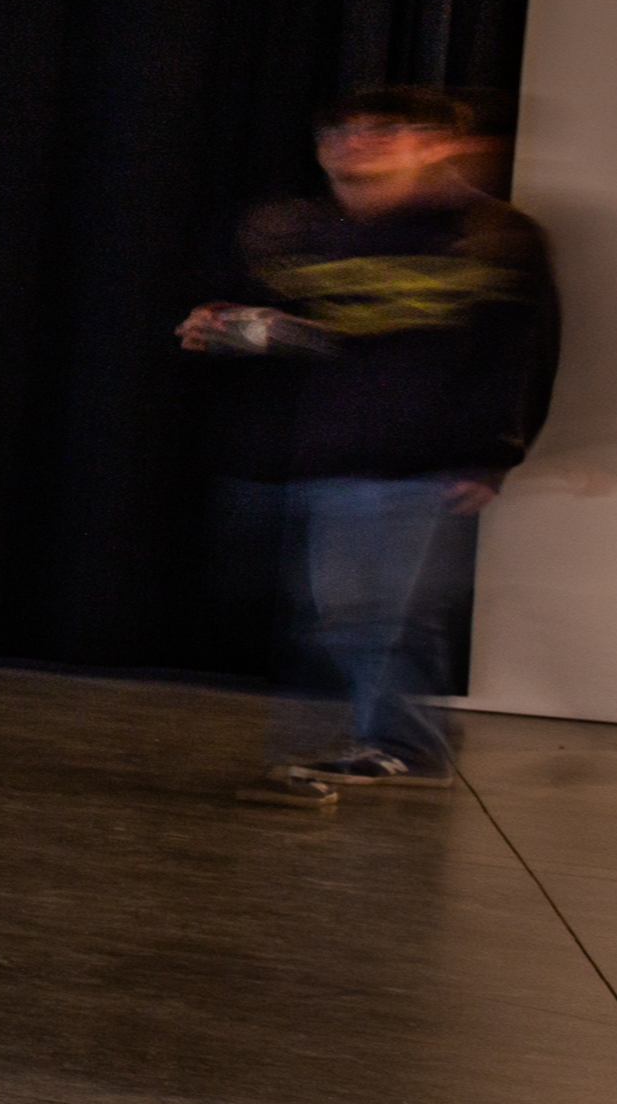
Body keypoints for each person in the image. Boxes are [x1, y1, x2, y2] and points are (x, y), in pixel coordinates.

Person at [188, 89, 554, 809]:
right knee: (347, 612)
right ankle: (390, 742)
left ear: (434, 144)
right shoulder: (303, 232)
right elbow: (316, 334)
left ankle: (403, 746)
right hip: (320, 452)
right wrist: (226, 325)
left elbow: (521, 349)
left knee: (374, 614)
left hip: (416, 458)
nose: (355, 142)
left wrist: (493, 452)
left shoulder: (487, 234)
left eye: (383, 130)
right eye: (340, 129)